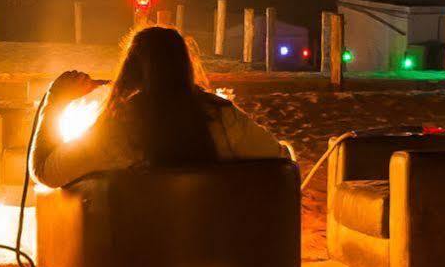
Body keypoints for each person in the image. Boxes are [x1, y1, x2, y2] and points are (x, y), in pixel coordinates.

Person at [32, 26, 289, 187]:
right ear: (185, 67)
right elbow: (281, 159)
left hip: (140, 257)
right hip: (211, 255)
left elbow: (46, 173)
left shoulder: (116, 131)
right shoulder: (223, 118)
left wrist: (54, 100)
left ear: (131, 72)